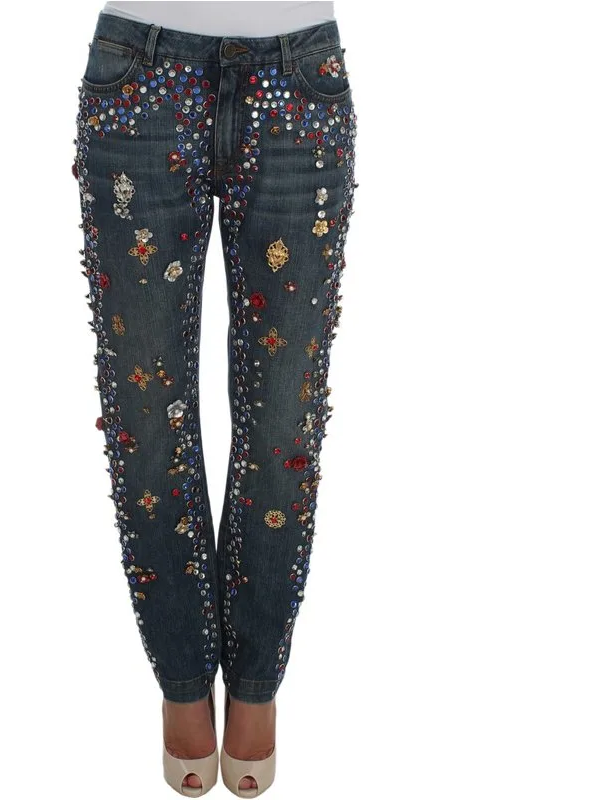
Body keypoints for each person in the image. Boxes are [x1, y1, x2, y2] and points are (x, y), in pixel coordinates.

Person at [72, 2, 358, 795]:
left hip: (299, 85)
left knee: (284, 428)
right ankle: (182, 677)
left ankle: (257, 681)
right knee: (145, 421)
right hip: (139, 79)